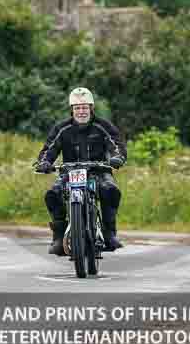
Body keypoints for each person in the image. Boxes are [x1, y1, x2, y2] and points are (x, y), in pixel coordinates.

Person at [34, 87, 126, 256]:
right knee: (52, 194)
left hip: (98, 170)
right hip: (70, 171)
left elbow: (117, 145)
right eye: (77, 108)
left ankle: (109, 233)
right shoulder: (62, 128)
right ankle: (58, 237)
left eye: (84, 107)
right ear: (72, 110)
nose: (81, 111)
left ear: (91, 108)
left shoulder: (103, 126)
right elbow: (49, 149)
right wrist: (44, 162)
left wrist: (117, 158)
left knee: (110, 190)